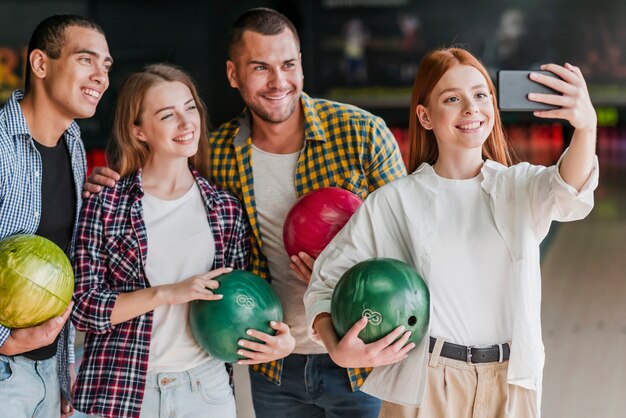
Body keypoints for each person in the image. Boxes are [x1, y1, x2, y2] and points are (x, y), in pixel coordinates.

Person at [83, 7, 407, 418]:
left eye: (289, 64)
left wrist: (346, 274)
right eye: (260, 68)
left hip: (360, 355)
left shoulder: (361, 133)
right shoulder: (213, 153)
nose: (278, 81)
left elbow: (405, 243)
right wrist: (107, 180)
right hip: (271, 365)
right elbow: (161, 180)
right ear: (234, 75)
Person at [304, 47, 598, 418]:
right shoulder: (394, 201)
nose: (471, 108)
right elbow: (324, 283)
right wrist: (336, 346)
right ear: (425, 116)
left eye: (480, 95)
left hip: (511, 380)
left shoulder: (519, 187)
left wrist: (586, 127)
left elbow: (570, 191)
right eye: (452, 99)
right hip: (426, 380)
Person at [70, 64, 260, 418]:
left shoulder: (225, 209)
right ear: (138, 130)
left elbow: (240, 304)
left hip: (205, 390)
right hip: (120, 389)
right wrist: (168, 293)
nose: (186, 124)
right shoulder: (105, 204)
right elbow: (83, 307)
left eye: (190, 108)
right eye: (167, 115)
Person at [0, 14, 112, 417]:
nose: (101, 75)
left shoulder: (74, 145)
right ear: (41, 64)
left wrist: (60, 380)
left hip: (49, 372)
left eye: (106, 66)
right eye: (87, 60)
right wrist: (5, 341)